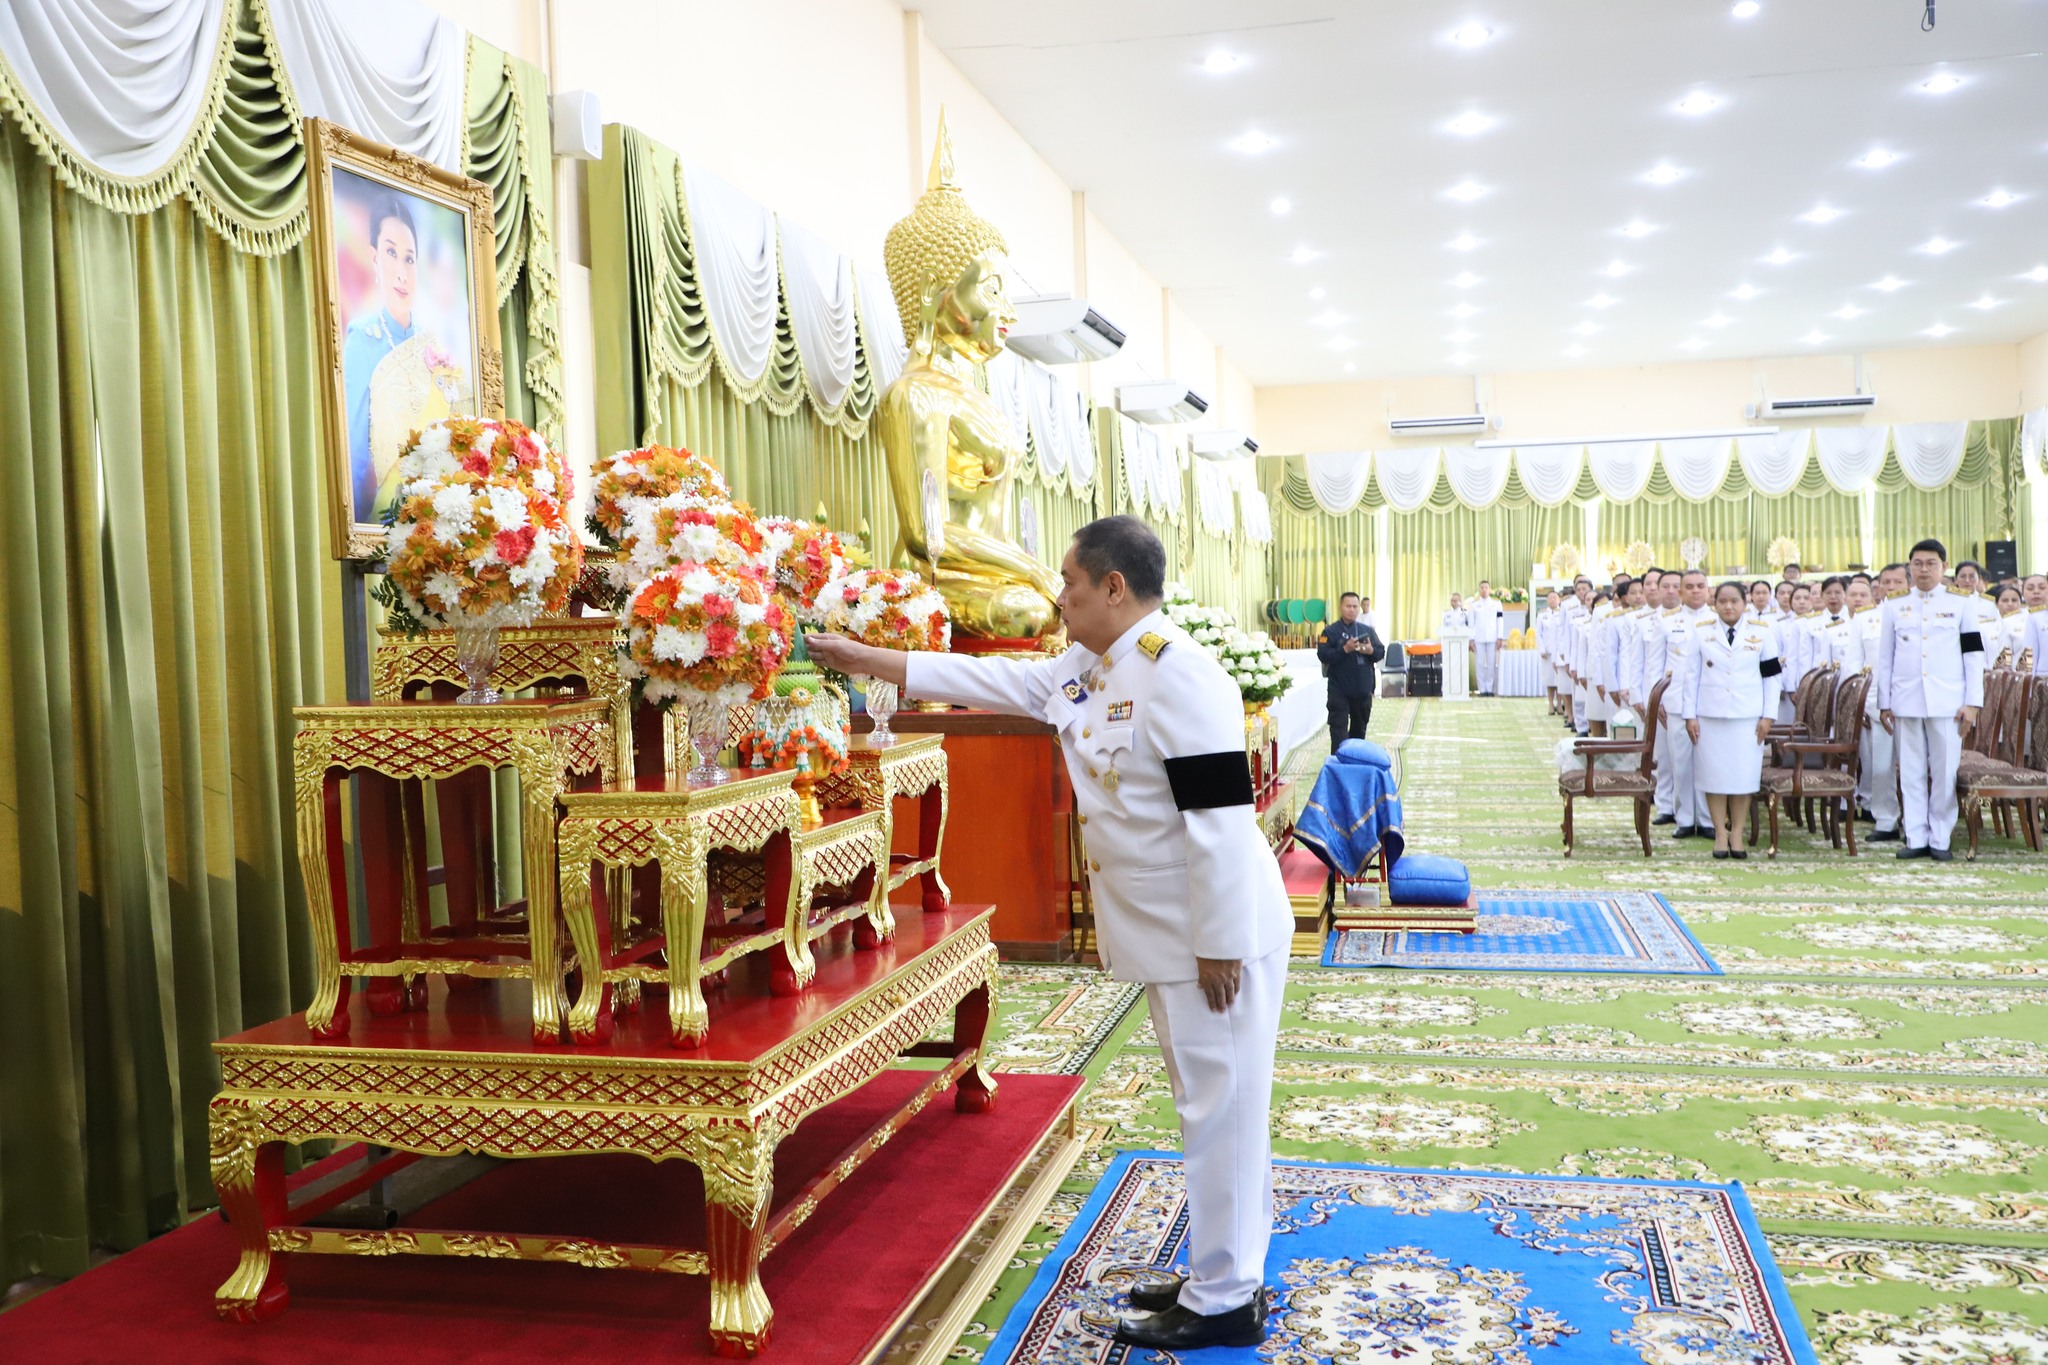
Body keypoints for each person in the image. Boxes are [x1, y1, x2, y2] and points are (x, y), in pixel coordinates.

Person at [808, 516, 1290, 1351]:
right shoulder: (1092, 667)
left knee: (1225, 1104)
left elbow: (1218, 818)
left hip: (1215, 932)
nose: (1057, 598)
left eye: (1070, 582)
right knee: (1207, 1100)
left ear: (1114, 587)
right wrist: (866, 659)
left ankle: (1227, 1295)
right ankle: (1224, 1265)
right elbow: (993, 681)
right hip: (1174, 928)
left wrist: (1219, 941)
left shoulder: (1184, 676)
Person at [1875, 538, 1985, 862]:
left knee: (1944, 770)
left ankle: (1940, 837)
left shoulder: (1963, 603)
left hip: (1949, 701)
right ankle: (1915, 836)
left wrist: (1973, 702)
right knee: (1909, 772)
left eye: (1931, 563)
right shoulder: (1894, 605)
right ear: (1909, 567)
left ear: (1944, 567)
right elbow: (1886, 657)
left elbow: (1973, 655)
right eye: (1918, 564)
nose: (1924, 569)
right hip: (1906, 700)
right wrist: (1884, 702)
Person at [1681, 580, 1783, 859]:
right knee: (1713, 777)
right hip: (1710, 716)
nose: (1728, 606)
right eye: (1722, 601)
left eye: (1734, 601)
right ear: (1715, 603)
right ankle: (1720, 833)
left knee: (1742, 779)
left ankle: (1737, 832)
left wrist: (1769, 716)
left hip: (1747, 717)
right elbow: (1690, 676)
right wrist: (1689, 715)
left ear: (1744, 603)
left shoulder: (1762, 632)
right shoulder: (1701, 632)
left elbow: (1772, 677)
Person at [1661, 569, 1716, 836]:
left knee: (1707, 762)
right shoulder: (1668, 621)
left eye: (1700, 586)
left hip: (1709, 703)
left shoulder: (1718, 621)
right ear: (1681, 592)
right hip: (1676, 703)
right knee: (1680, 763)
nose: (1695, 591)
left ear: (1708, 590)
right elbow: (1655, 666)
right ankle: (1684, 818)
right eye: (1689, 587)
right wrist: (1655, 699)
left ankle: (1707, 819)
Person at [1857, 564, 1907, 840]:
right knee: (1881, 766)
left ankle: (1915, 824)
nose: (1890, 586)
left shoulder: (1920, 615)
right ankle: (1886, 821)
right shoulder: (1865, 619)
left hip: (1914, 704)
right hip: (1876, 705)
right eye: (1885, 582)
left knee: (1913, 768)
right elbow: (1854, 667)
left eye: (1897, 581)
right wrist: (1859, 705)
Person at [1317, 592, 1384, 751]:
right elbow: (1323, 655)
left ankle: (1355, 764)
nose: (1352, 610)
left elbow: (1381, 652)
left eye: (1355, 606)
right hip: (1339, 690)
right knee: (1338, 732)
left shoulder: (1366, 630)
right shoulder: (1330, 632)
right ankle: (1338, 768)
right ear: (1341, 607)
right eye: (1348, 606)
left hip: (1362, 689)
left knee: (1359, 732)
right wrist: (1345, 649)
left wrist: (1370, 651)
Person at [1469, 581, 1506, 696]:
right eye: (1482, 588)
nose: (1484, 590)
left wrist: (1500, 637)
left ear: (1489, 589)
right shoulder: (1474, 605)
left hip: (1492, 637)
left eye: (1486, 587)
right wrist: (1471, 639)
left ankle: (1490, 689)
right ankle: (1482, 689)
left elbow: (1500, 621)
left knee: (1491, 664)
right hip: (1478, 638)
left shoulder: (1497, 604)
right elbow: (1471, 623)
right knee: (1479, 664)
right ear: (1479, 590)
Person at [1536, 590, 1564, 713]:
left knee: (1560, 680)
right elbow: (1538, 633)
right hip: (1547, 652)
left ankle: (1560, 704)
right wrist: (1541, 649)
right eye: (1550, 598)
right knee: (1549, 679)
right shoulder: (1542, 615)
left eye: (1555, 597)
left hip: (1559, 652)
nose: (1552, 600)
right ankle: (1551, 704)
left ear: (1559, 600)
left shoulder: (1563, 613)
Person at [1992, 582, 2028, 665]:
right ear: (1996, 604)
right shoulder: (1986, 627)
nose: (2010, 604)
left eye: (2014, 600)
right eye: (2005, 600)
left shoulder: (2027, 623)